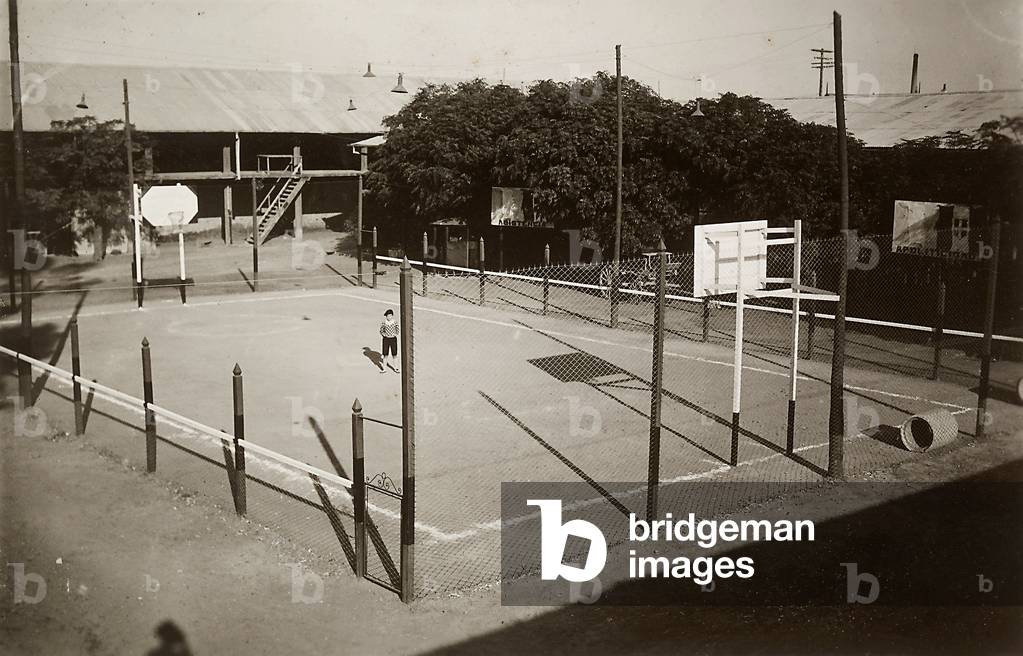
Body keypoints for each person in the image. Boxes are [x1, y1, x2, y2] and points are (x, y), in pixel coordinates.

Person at [379, 309, 400, 373]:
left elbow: (397, 329)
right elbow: (381, 330)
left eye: (390, 316)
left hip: (393, 339)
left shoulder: (395, 322)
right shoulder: (384, 322)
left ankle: (396, 368)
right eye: (388, 316)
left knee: (394, 354)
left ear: (392, 316)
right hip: (386, 339)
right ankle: (384, 368)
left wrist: (395, 334)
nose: (389, 317)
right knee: (385, 354)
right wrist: (384, 335)